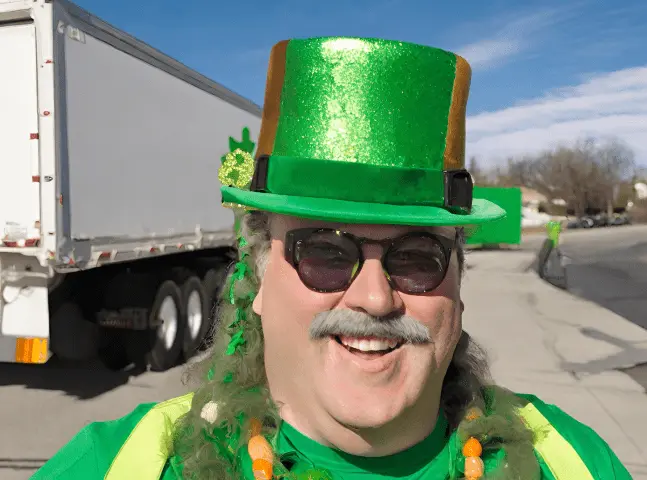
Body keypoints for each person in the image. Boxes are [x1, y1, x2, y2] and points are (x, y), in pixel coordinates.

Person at [33, 37, 631, 480]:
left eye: (418, 257)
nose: (375, 299)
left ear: (457, 286)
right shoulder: (123, 465)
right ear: (258, 281)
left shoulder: (569, 460)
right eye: (324, 252)